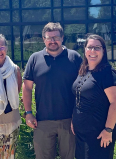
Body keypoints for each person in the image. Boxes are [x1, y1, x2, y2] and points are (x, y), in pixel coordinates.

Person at [22, 22, 82, 159]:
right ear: (43, 39)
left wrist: (79, 115)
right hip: (42, 121)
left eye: (55, 37)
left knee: (69, 157)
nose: (52, 41)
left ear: (62, 37)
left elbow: (83, 87)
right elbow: (27, 87)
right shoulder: (35, 59)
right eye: (49, 38)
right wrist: (28, 113)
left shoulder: (74, 57)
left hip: (69, 120)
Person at [71, 34, 116, 159]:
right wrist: (74, 119)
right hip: (81, 133)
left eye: (97, 48)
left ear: (103, 50)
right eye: (89, 47)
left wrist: (108, 130)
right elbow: (79, 98)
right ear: (85, 50)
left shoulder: (108, 73)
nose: (92, 51)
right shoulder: (84, 71)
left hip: (100, 133)